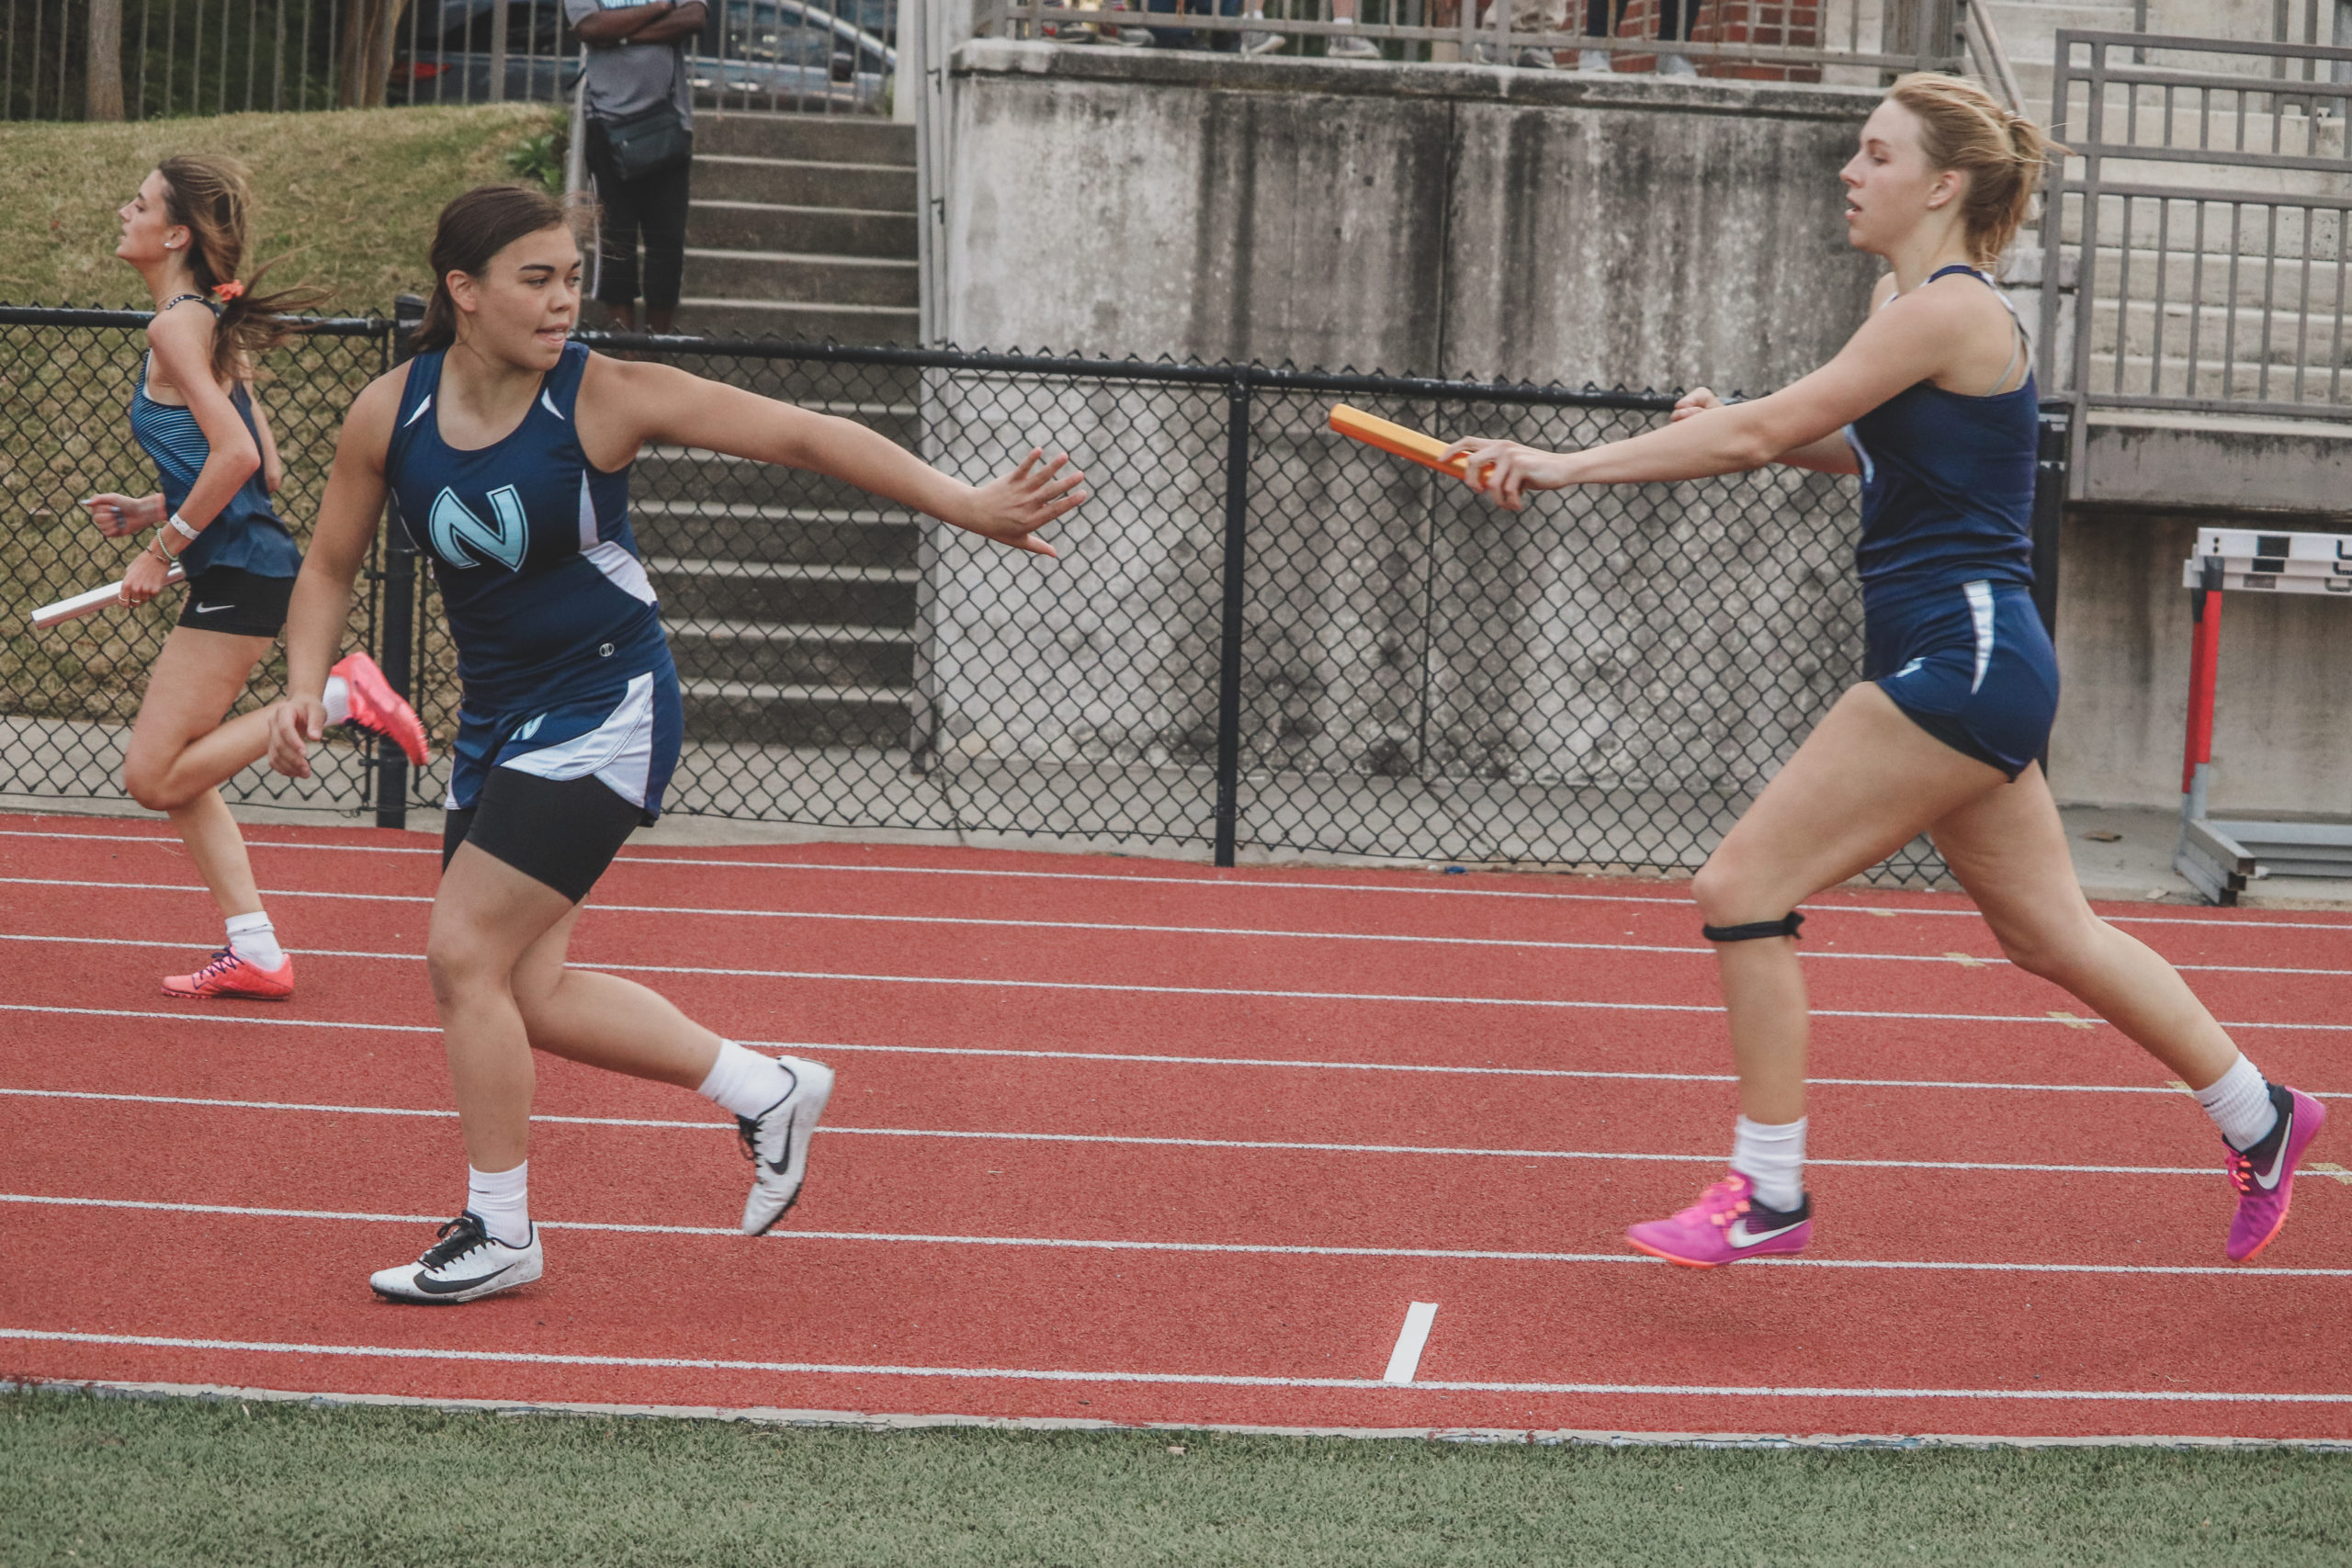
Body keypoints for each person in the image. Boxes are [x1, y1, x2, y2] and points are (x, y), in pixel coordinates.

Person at [1442, 73, 2326, 1268]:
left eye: (1875, 154)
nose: (1850, 173)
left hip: (1961, 654)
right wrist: (1738, 423)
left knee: (1741, 883)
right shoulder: (1902, 305)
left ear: (1943, 184)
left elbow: (1762, 430)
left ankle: (1767, 1190)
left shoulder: (1949, 310)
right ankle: (2260, 1112)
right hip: (1966, 654)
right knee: (2051, 934)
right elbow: (1853, 445)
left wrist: (1564, 463)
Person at [266, 185, 1088, 1303]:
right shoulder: (390, 413)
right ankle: (766, 1088)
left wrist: (965, 503)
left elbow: (803, 432)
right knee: (525, 989)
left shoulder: (601, 395)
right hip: (499, 719)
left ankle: (499, 1231)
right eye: (536, 280)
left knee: (462, 956)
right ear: (463, 291)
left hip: (607, 698)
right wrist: (302, 685)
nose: (564, 301)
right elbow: (327, 566)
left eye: (572, 277)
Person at [85, 154, 427, 1002]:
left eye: (140, 203)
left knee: (152, 776)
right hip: (245, 562)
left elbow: (237, 457)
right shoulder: (205, 324)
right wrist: (153, 505)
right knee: (180, 775)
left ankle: (336, 696)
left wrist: (160, 548)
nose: (124, 211)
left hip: (238, 568)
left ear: (176, 234)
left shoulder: (177, 329)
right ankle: (257, 949)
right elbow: (263, 469)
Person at [564, 0, 703, 335]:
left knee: (667, 243)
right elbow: (590, 27)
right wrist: (661, 7)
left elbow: (694, 17)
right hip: (606, 125)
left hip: (667, 123)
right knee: (616, 242)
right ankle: (625, 352)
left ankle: (657, 350)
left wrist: (620, 34)